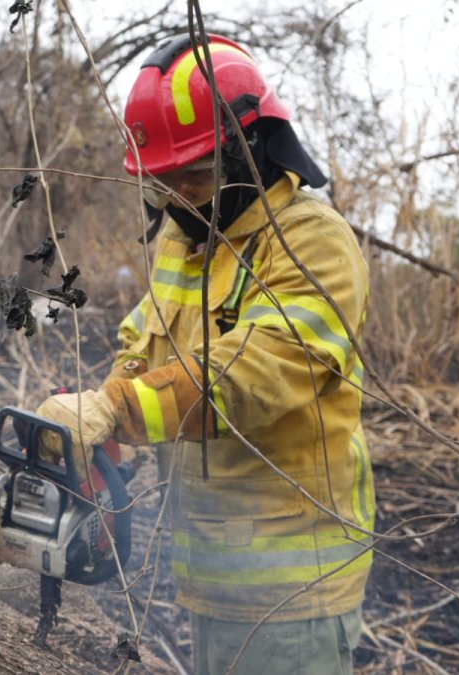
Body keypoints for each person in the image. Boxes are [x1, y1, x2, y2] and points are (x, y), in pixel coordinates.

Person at [35, 33, 374, 674]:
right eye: (165, 180)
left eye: (194, 173)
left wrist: (116, 408)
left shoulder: (311, 242)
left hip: (294, 583)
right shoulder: (184, 238)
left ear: (252, 147)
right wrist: (100, 426)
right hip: (215, 568)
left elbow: (253, 376)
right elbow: (145, 344)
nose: (180, 195)